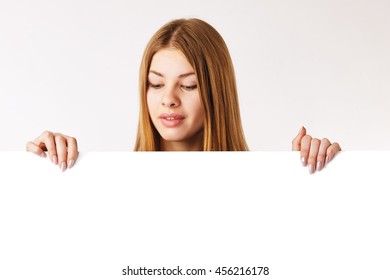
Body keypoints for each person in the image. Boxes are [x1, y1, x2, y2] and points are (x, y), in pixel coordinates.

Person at [26, 18, 341, 173]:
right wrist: (41, 168)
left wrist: (313, 176)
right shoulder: (105, 183)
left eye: (188, 85)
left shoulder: (264, 187)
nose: (169, 99)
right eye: (156, 83)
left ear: (217, 92)